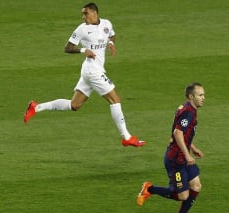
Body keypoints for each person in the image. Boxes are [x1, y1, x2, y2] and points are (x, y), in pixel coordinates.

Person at [23, 2, 145, 147]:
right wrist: (83, 50)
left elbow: (112, 35)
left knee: (75, 105)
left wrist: (111, 44)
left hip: (90, 71)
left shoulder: (106, 24)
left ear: (95, 13)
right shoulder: (82, 29)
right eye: (82, 14)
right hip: (93, 71)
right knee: (115, 100)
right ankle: (126, 137)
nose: (83, 17)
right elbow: (67, 48)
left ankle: (36, 107)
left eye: (85, 13)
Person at [136, 83, 205, 213]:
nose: (203, 98)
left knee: (196, 185)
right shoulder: (188, 112)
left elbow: (180, 132)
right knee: (182, 196)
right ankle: (149, 189)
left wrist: (192, 148)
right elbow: (177, 133)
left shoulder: (187, 108)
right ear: (191, 97)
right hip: (176, 160)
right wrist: (187, 155)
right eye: (200, 95)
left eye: (203, 95)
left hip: (183, 155)